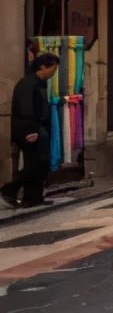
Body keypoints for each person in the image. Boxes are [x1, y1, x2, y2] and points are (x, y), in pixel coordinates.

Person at [1, 54, 60, 209]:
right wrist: (31, 131)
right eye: (53, 68)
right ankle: (9, 189)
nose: (54, 72)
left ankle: (33, 198)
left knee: (41, 163)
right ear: (43, 67)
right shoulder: (28, 84)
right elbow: (26, 109)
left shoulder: (39, 83)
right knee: (35, 164)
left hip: (39, 130)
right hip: (30, 131)